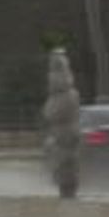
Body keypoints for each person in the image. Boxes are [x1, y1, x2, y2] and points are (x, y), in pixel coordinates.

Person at [43, 48, 81, 199]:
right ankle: (68, 190)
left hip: (65, 133)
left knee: (65, 163)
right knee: (66, 163)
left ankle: (67, 191)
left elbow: (50, 113)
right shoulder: (69, 94)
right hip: (67, 133)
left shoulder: (65, 95)